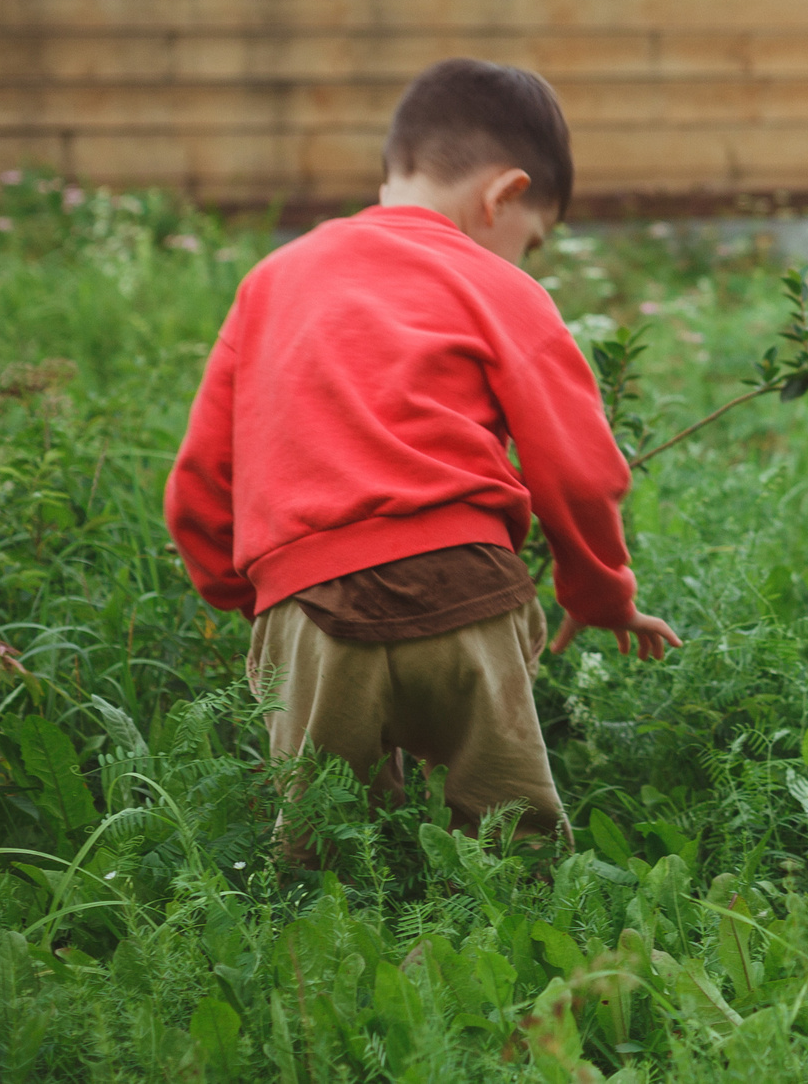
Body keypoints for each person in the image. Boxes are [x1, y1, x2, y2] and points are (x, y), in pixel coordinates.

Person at [165, 59, 680, 845]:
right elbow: (577, 468)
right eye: (531, 241)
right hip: (465, 593)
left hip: (309, 604)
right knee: (512, 832)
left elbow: (201, 481)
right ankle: (528, 951)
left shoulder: (272, 281)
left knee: (322, 843)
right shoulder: (499, 287)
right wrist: (599, 592)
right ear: (502, 195)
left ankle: (325, 960)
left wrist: (257, 600)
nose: (525, 261)